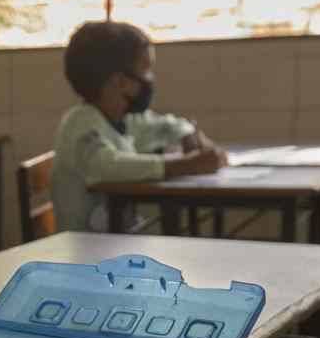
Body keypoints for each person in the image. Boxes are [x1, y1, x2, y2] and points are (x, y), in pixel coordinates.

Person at [52, 21, 227, 232]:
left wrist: (188, 135)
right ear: (119, 81)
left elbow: (166, 125)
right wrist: (185, 165)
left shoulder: (123, 119)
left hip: (115, 241)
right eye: (145, 70)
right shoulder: (80, 124)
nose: (150, 80)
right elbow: (109, 166)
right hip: (84, 248)